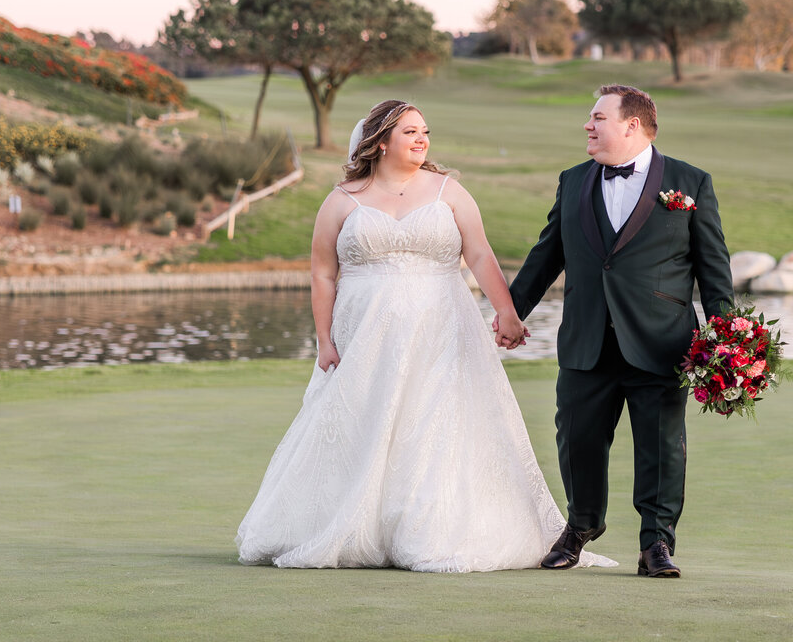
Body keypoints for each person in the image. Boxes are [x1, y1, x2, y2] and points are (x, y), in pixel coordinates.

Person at [235, 99, 614, 572]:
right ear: (379, 140)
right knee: (367, 422)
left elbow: (479, 256)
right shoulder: (341, 200)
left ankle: (427, 526)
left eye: (424, 131)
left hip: (443, 330)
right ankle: (355, 527)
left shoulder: (448, 192)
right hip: (367, 336)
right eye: (410, 131)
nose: (421, 139)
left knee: (436, 423)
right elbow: (323, 276)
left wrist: (508, 313)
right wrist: (324, 339)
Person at [505, 84, 733, 578]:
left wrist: (727, 339)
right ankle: (581, 527)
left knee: (660, 448)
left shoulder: (691, 182)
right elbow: (548, 255)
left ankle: (656, 544)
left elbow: (714, 270)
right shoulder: (572, 181)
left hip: (662, 342)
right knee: (577, 440)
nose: (588, 125)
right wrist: (511, 310)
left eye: (597, 117)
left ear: (632, 124)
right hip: (586, 341)